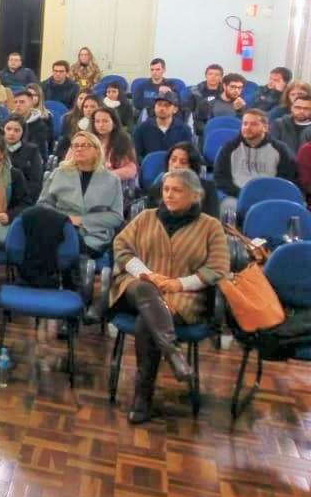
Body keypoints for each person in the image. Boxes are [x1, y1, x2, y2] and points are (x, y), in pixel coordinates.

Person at [109, 168, 229, 424]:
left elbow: (218, 268)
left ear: (195, 195)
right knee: (144, 290)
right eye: (166, 189)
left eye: (177, 190)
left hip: (183, 298)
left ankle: (142, 397)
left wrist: (178, 284)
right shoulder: (146, 217)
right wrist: (147, 274)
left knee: (146, 323)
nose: (169, 195)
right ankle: (173, 354)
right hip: (135, 286)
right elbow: (120, 246)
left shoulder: (211, 227)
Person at [38, 130, 125, 257]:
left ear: (96, 150)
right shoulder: (59, 173)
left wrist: (81, 220)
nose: (79, 149)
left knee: (70, 246)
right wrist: (63, 219)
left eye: (85, 145)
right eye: (75, 146)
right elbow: (43, 205)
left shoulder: (111, 179)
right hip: (59, 227)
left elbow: (117, 217)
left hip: (94, 233)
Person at [214, 109, 298, 219]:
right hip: (236, 195)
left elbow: (286, 177)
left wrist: (265, 195)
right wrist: (243, 194)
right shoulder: (228, 148)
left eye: (253, 124)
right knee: (228, 209)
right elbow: (221, 178)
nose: (247, 127)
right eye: (245, 124)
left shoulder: (280, 149)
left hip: (270, 197)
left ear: (266, 127)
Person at [146, 143, 220, 218]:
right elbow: (150, 222)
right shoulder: (156, 190)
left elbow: (213, 221)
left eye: (183, 162)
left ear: (192, 167)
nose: (176, 165)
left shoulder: (207, 189)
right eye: (173, 160)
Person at [133, 89, 193, 158]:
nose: (162, 108)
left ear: (175, 109)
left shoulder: (184, 130)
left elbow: (188, 155)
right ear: (154, 107)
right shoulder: (141, 129)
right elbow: (136, 155)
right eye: (159, 104)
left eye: (167, 105)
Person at [88, 105, 138, 182]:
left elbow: (131, 169)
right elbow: (69, 164)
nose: (101, 125)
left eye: (105, 121)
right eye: (97, 121)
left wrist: (107, 176)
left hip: (113, 183)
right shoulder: (85, 140)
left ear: (114, 123)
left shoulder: (123, 141)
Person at [2, 116, 44, 203]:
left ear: (23, 132)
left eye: (16, 130)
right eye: (8, 129)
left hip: (23, 200)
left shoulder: (32, 150)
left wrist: (25, 200)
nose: (11, 133)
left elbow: (36, 182)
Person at [11, 88, 50, 157]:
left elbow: (34, 151)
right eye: (15, 102)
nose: (18, 105)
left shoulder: (40, 126)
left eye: (22, 102)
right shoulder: (8, 122)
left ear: (31, 103)